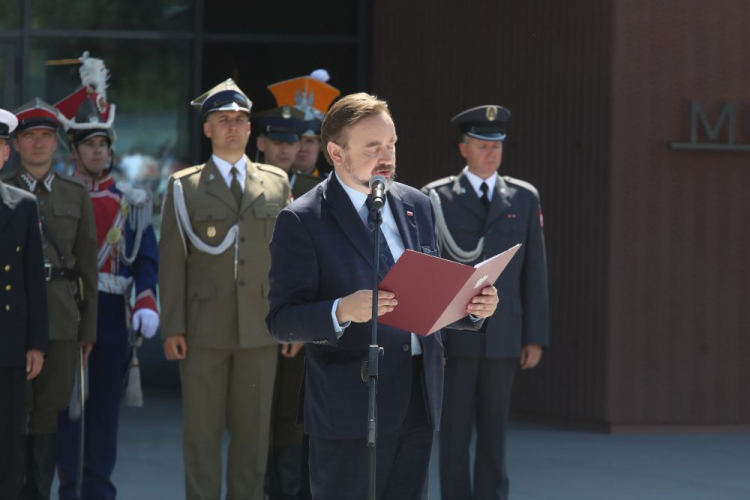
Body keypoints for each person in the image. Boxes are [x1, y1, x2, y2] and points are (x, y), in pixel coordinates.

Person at [266, 92, 499, 500]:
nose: (386, 156)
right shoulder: (302, 219)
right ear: (336, 153)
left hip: (419, 396)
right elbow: (282, 320)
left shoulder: (418, 205)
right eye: (372, 147)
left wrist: (472, 309)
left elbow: (429, 294)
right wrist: (343, 310)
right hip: (349, 403)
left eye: (390, 144)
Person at [159, 78, 291, 500]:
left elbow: (290, 262)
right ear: (207, 129)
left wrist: (293, 322)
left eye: (239, 120)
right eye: (223, 120)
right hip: (203, 331)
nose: (233, 127)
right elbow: (172, 262)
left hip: (260, 329)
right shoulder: (185, 186)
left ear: (251, 130)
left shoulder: (276, 182)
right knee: (201, 440)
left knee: (253, 442)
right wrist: (172, 327)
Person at [422, 105, 550, 500]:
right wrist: (433, 338)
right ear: (463, 148)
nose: (491, 152)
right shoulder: (436, 196)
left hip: (504, 334)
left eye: (496, 145)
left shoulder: (524, 196)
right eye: (481, 144)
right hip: (456, 338)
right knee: (455, 435)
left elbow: (535, 270)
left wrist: (535, 336)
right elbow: (431, 273)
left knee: (495, 435)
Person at [53, 52, 160, 500]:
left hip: (113, 314)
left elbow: (145, 257)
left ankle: (99, 491)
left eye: (103, 143)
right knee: (63, 412)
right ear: (74, 150)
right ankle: (70, 489)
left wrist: (147, 299)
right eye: (88, 144)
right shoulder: (58, 195)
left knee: (102, 416)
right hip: (68, 311)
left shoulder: (131, 201)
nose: (97, 150)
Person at [2, 99, 98, 500]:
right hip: (13, 315)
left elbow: (88, 268)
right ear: (16, 145)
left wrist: (87, 328)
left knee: (47, 411)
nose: (39, 144)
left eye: (46, 137)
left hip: (57, 315)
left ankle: (38, 491)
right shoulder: (12, 194)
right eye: (30, 136)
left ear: (57, 144)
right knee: (12, 412)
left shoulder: (75, 192)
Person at [262, 70, 340, 500]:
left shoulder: (319, 193)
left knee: (295, 421)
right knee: (262, 419)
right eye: (294, 140)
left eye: (308, 140)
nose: (300, 148)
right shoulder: (261, 187)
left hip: (304, 322)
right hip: (263, 315)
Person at [0, 108, 48, 500]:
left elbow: (34, 280)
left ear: (6, 154)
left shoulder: (23, 204)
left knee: (7, 447)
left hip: (8, 347)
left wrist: (36, 343)